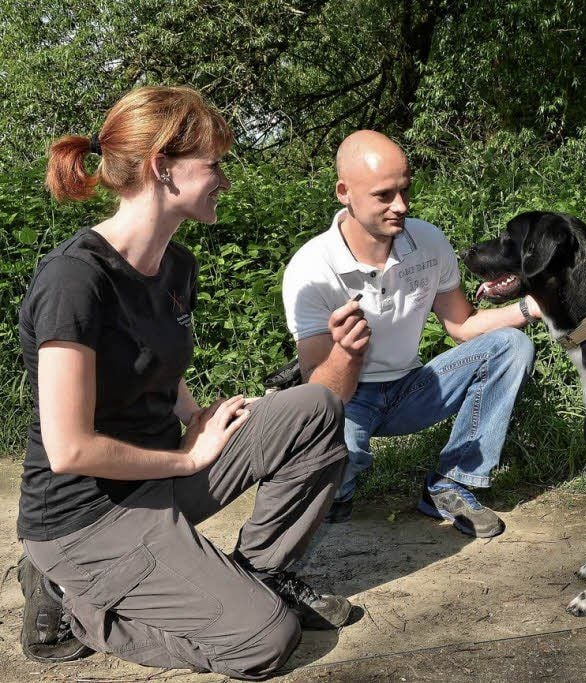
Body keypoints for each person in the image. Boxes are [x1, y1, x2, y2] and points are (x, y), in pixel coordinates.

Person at [17, 86, 353, 679]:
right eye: (214, 164)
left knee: (313, 408)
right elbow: (69, 449)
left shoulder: (176, 266)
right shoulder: (74, 280)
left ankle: (261, 573)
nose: (225, 178)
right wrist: (190, 457)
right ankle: (72, 601)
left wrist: (196, 418)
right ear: (161, 168)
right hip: (85, 517)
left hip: (157, 475)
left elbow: (160, 363)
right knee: (266, 640)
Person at [282, 130, 536, 538]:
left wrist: (531, 308)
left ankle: (451, 483)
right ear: (344, 192)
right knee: (330, 495)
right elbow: (318, 387)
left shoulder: (428, 241)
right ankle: (332, 491)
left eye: (405, 190)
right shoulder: (311, 269)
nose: (401, 206)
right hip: (347, 398)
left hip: (409, 389)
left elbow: (462, 326)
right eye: (384, 195)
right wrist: (345, 352)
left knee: (511, 345)